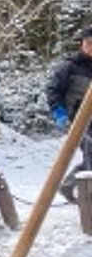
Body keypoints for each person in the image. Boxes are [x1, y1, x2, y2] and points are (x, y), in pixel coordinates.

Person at [46, 26, 92, 202]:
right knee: (91, 157)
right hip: (79, 120)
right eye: (89, 43)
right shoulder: (69, 66)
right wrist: (59, 112)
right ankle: (87, 201)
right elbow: (53, 90)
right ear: (82, 44)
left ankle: (68, 186)